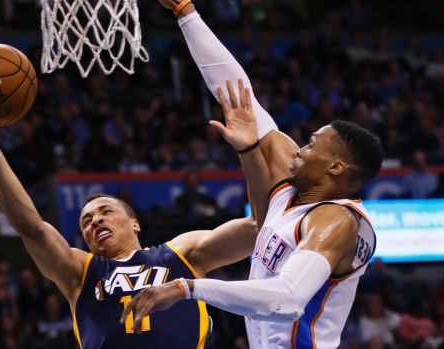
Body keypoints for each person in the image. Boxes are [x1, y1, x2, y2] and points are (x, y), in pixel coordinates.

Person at [121, 2, 384, 348]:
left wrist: (186, 287)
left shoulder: (336, 221)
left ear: (335, 167)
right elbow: (237, 92)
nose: (300, 149)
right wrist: (186, 13)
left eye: (312, 145)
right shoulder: (293, 191)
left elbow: (288, 299)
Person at [0, 64, 262, 348]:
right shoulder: (80, 272)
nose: (95, 221)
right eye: (86, 221)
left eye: (105, 212)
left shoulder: (181, 252)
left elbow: (258, 228)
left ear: (135, 223)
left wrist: (250, 149)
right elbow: (30, 226)